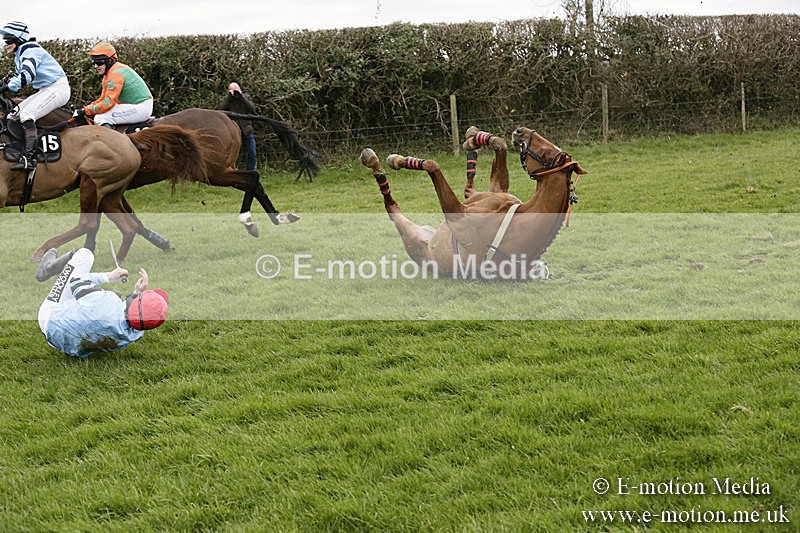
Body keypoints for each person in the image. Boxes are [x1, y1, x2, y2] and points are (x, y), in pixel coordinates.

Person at [35, 247, 169, 359]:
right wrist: (138, 291)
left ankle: (48, 268)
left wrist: (109, 276)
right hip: (66, 347)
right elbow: (136, 317)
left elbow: (76, 281)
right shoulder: (133, 335)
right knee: (86, 302)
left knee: (85, 254)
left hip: (49, 320)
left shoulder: (105, 301)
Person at [0, 21, 71, 171]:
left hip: (57, 88)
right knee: (13, 115)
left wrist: (8, 87)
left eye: (8, 41)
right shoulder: (22, 53)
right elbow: (17, 76)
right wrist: (4, 83)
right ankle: (21, 149)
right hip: (46, 89)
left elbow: (26, 75)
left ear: (19, 39)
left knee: (27, 114)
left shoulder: (30, 51)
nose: (5, 44)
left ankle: (29, 158)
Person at [74, 41, 153, 128]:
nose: (96, 66)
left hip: (141, 107)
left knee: (101, 118)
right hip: (132, 105)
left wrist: (86, 110)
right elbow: (103, 99)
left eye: (99, 63)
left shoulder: (115, 74)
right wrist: (85, 109)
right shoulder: (108, 74)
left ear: (110, 60)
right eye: (94, 63)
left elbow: (108, 103)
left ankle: (111, 141)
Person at [219, 82, 258, 171]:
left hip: (246, 130)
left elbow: (252, 109)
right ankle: (233, 172)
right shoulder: (228, 100)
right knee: (232, 154)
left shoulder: (246, 97)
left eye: (236, 89)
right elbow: (220, 110)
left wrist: (242, 97)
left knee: (252, 153)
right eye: (232, 90)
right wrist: (229, 98)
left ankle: (250, 172)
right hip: (233, 131)